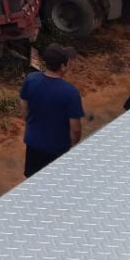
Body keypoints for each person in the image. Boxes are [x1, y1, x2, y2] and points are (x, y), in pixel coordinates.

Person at [19, 43, 84, 177]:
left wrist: (31, 122)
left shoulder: (31, 79)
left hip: (33, 143)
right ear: (63, 66)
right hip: (57, 147)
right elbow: (75, 129)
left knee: (32, 179)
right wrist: (72, 144)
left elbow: (23, 106)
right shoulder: (70, 92)